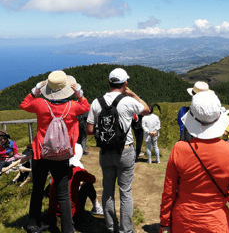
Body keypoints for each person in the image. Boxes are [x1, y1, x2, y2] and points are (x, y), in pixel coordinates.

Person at [159, 91, 229, 233]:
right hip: (216, 223)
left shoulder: (179, 149)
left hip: (183, 221)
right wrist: (226, 194)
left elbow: (168, 193)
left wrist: (164, 223)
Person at [20, 70, 90, 233]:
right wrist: (80, 94)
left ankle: (33, 224)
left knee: (37, 188)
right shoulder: (72, 107)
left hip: (40, 153)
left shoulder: (39, 104)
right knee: (63, 193)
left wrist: (34, 91)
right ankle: (67, 229)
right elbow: (85, 106)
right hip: (62, 154)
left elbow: (24, 104)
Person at [87, 68, 150, 233]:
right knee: (125, 193)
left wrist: (106, 131)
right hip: (125, 150)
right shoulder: (127, 101)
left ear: (109, 82)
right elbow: (146, 110)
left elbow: (89, 129)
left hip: (105, 152)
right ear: (125, 83)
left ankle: (110, 227)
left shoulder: (96, 102)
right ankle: (126, 230)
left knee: (107, 192)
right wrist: (133, 94)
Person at [48, 144, 103, 222]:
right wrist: (79, 181)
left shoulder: (56, 170)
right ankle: (96, 207)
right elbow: (93, 179)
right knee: (88, 185)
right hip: (71, 212)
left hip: (54, 210)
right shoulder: (77, 170)